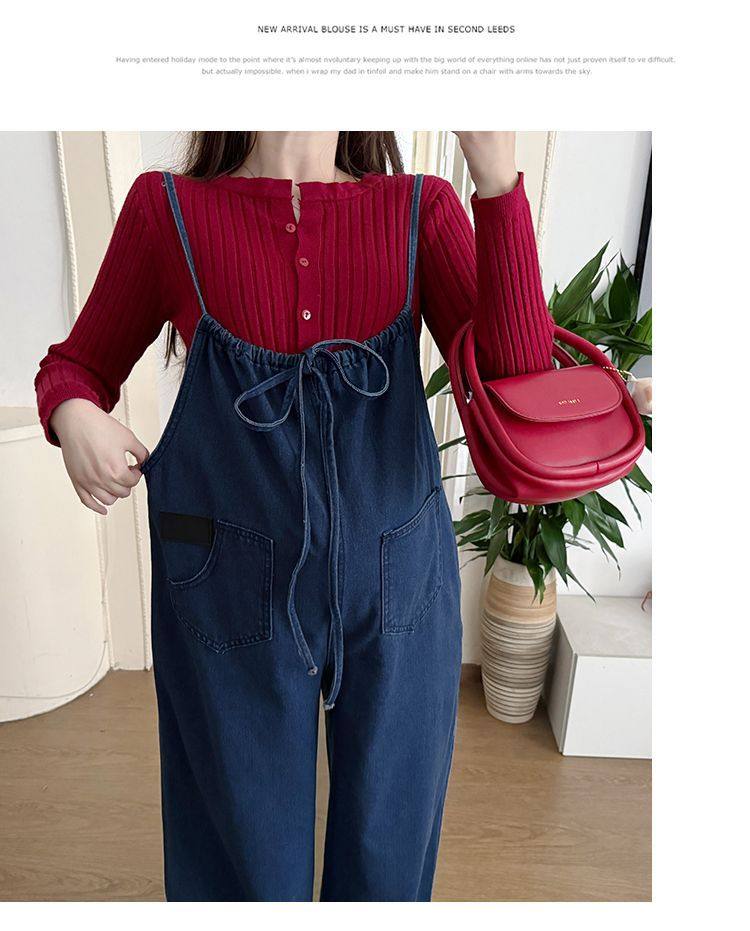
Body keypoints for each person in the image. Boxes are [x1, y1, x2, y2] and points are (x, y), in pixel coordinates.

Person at [34, 131, 554, 901]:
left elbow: (520, 391)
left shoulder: (421, 210)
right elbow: (75, 365)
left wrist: (497, 179)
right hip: (228, 595)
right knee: (240, 861)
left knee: (389, 851)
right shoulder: (166, 210)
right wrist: (74, 413)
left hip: (400, 591)